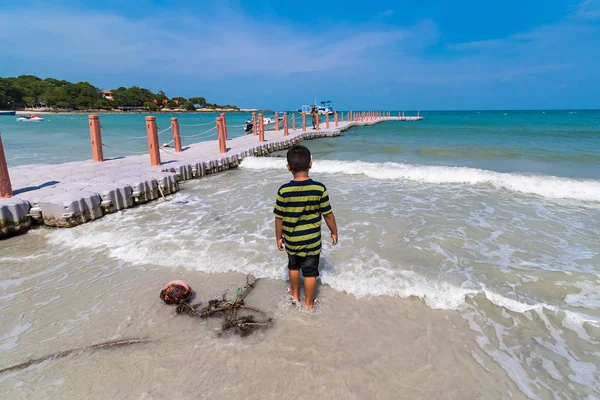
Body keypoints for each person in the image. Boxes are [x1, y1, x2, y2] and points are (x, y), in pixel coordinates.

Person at [273, 145, 338, 308]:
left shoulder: (284, 191)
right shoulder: (319, 188)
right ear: (311, 163)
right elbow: (328, 214)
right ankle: (309, 303)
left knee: (293, 266)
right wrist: (334, 232)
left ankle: (295, 295)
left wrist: (278, 237)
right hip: (312, 241)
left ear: (288, 167)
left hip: (292, 240)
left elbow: (278, 218)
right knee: (310, 272)